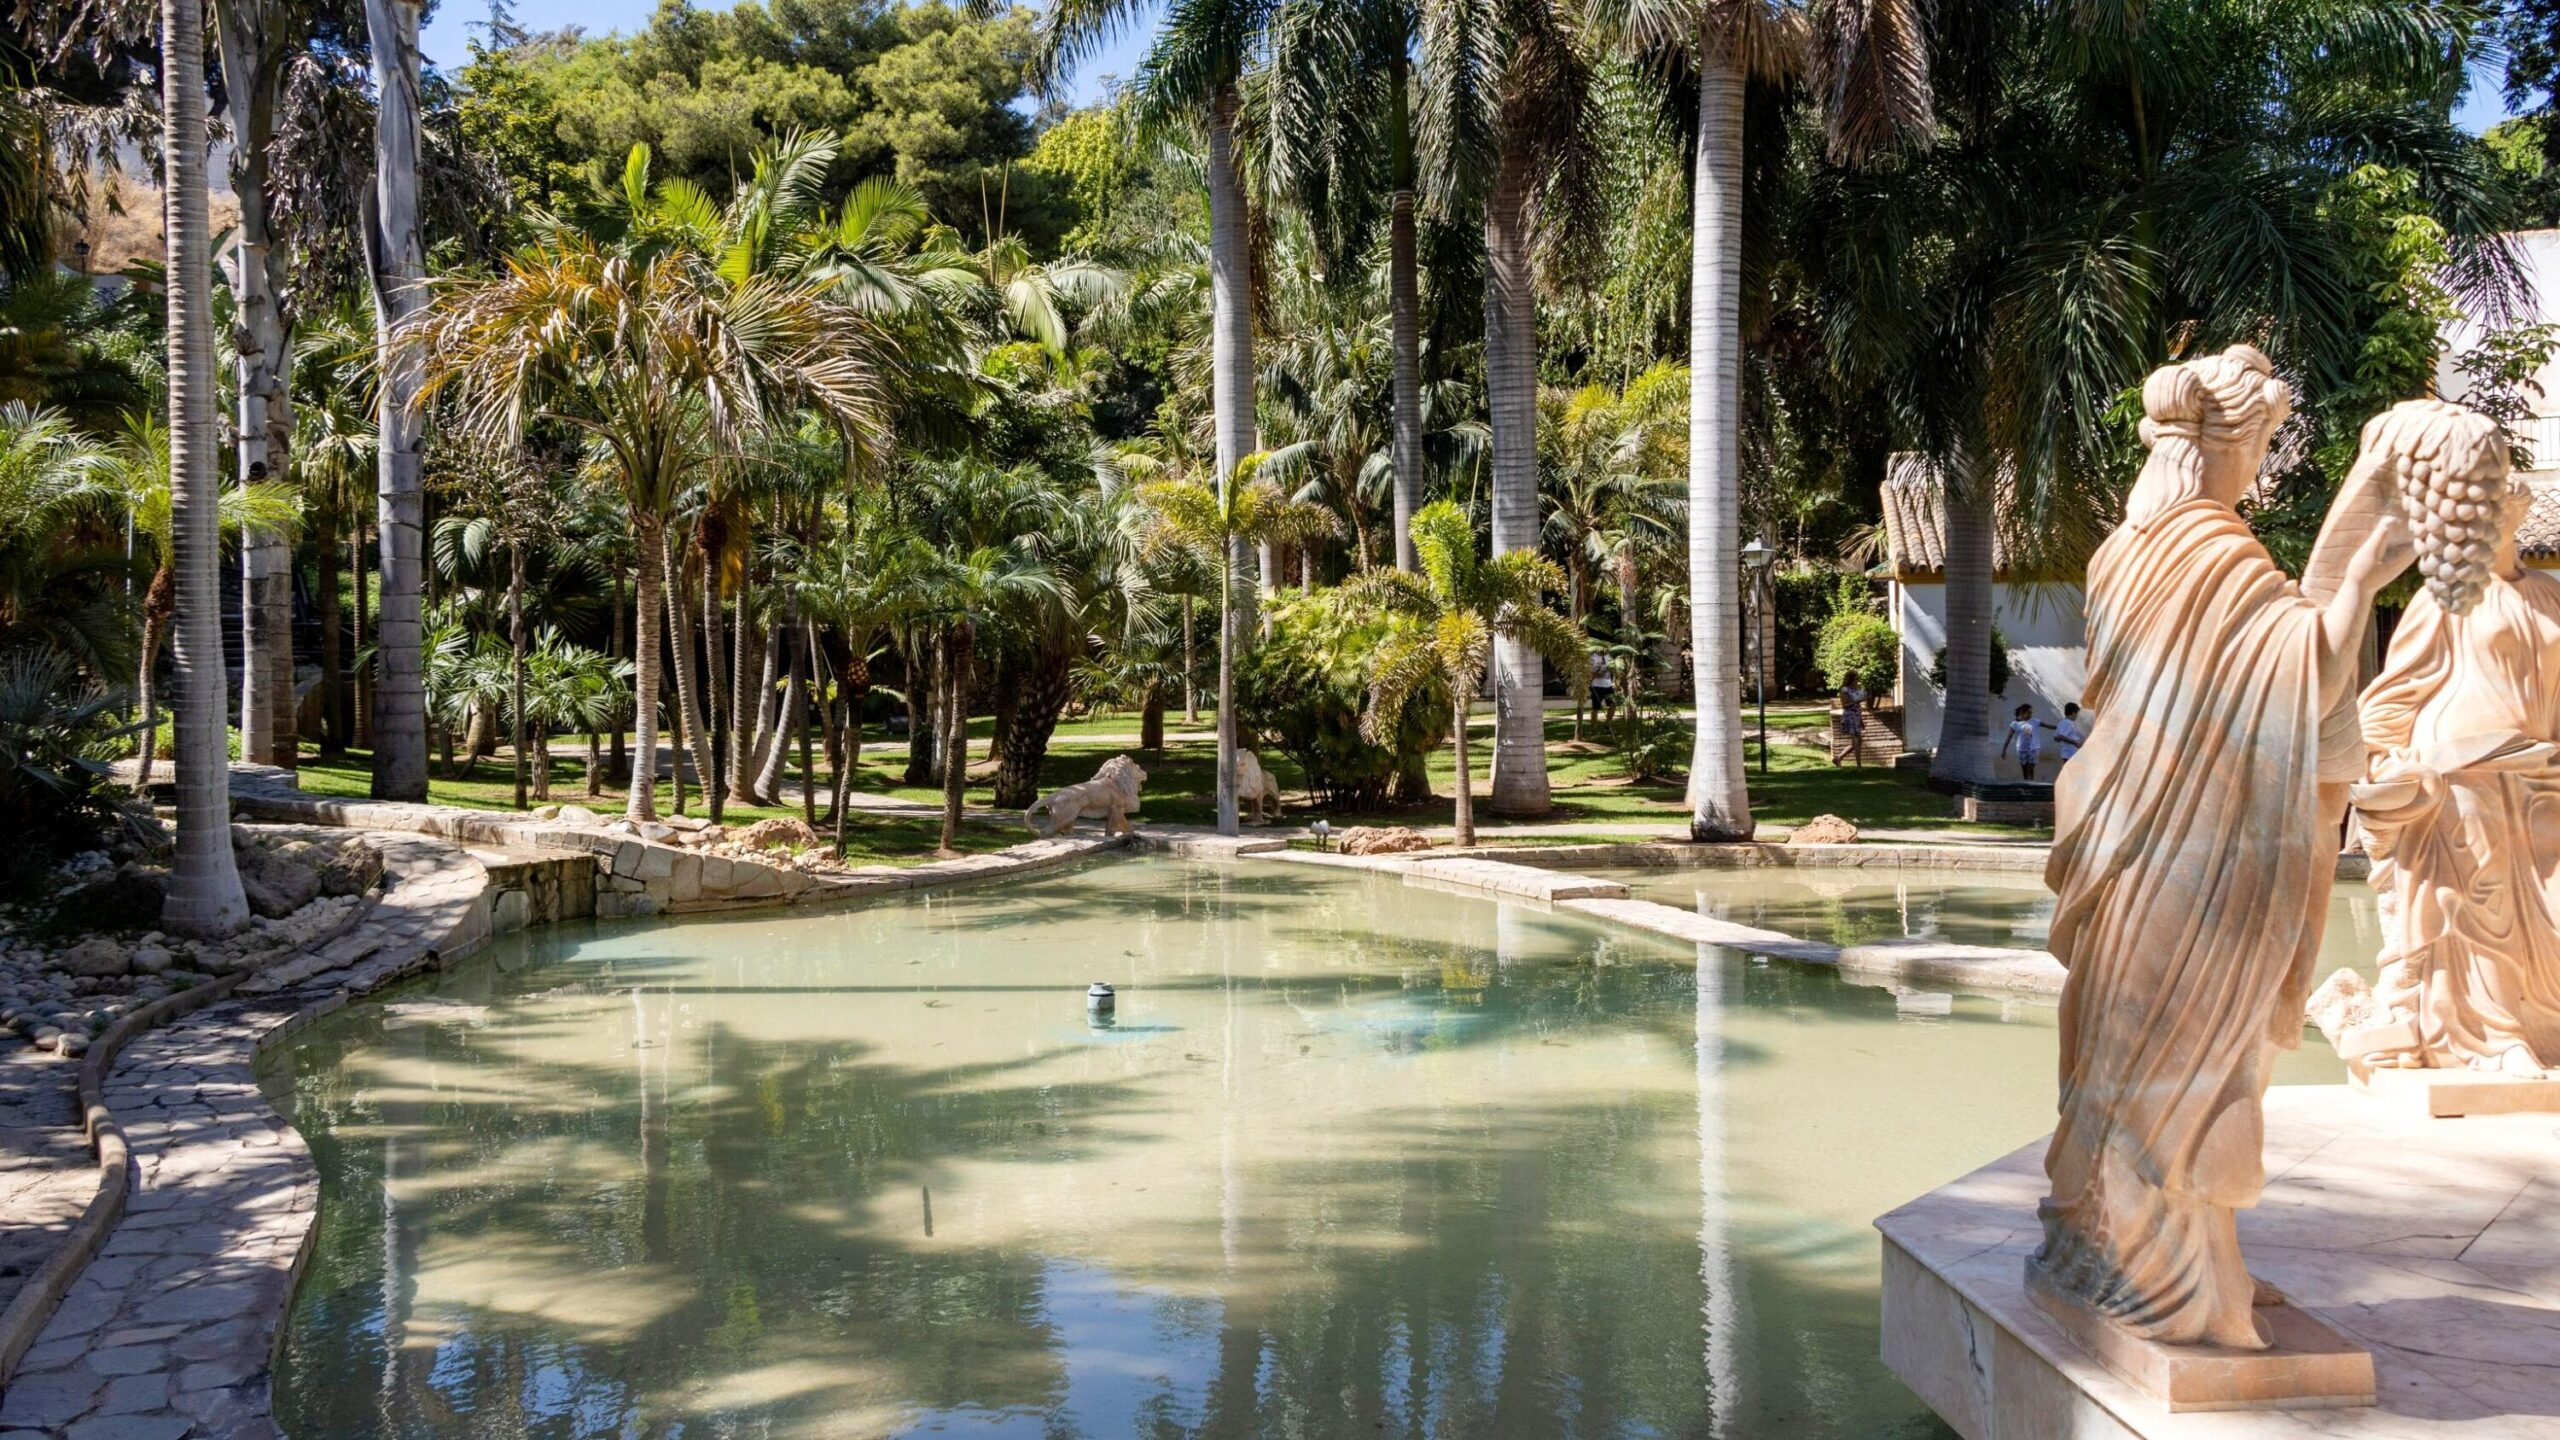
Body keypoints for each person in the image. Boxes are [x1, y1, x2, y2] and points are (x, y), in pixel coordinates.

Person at [2033, 345, 2416, 1351]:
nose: (2261, 466)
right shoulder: (2214, 554)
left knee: (2145, 1061)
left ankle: (2153, 1256)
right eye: (2260, 444)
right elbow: (2299, 676)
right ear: (2225, 443)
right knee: (2194, 1064)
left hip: (2135, 844)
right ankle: (2175, 1287)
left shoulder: (2127, 550)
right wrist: (2363, 578)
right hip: (2191, 858)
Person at [2354, 407, 2560, 1076]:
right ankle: (2493, 1039)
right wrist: (2391, 765)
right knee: (2483, 898)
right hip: (2463, 768)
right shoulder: (2445, 597)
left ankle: (2539, 1023)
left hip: (2538, 767)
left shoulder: (2549, 596)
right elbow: (2392, 695)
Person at [2001, 703, 2040, 780]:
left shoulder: (2031, 722)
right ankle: (2027, 785)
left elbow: (2029, 736)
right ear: (2022, 713)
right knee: (2025, 770)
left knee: (2030, 769)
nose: (2030, 715)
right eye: (2028, 713)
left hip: (2032, 750)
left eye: (2031, 713)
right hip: (2021, 750)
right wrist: (2004, 750)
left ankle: (2032, 785)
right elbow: (2009, 737)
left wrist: (2057, 728)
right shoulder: (2015, 724)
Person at [1835, 679, 1868, 766]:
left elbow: (1858, 706)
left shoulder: (1856, 690)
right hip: (1850, 717)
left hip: (1856, 717)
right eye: (1856, 679)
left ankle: (1838, 758)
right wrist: (1859, 701)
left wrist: (1861, 719)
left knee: (1858, 741)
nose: (1857, 681)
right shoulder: (1844, 690)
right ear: (1851, 679)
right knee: (1856, 742)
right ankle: (1859, 767)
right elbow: (1845, 706)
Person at [1589, 652, 1616, 721]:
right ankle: (1593, 728)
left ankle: (1607, 724)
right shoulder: (1593, 657)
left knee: (1613, 704)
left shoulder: (1609, 656)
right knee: (1596, 708)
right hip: (1596, 685)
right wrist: (1600, 672)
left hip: (1608, 686)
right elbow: (1590, 674)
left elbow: (1613, 670)